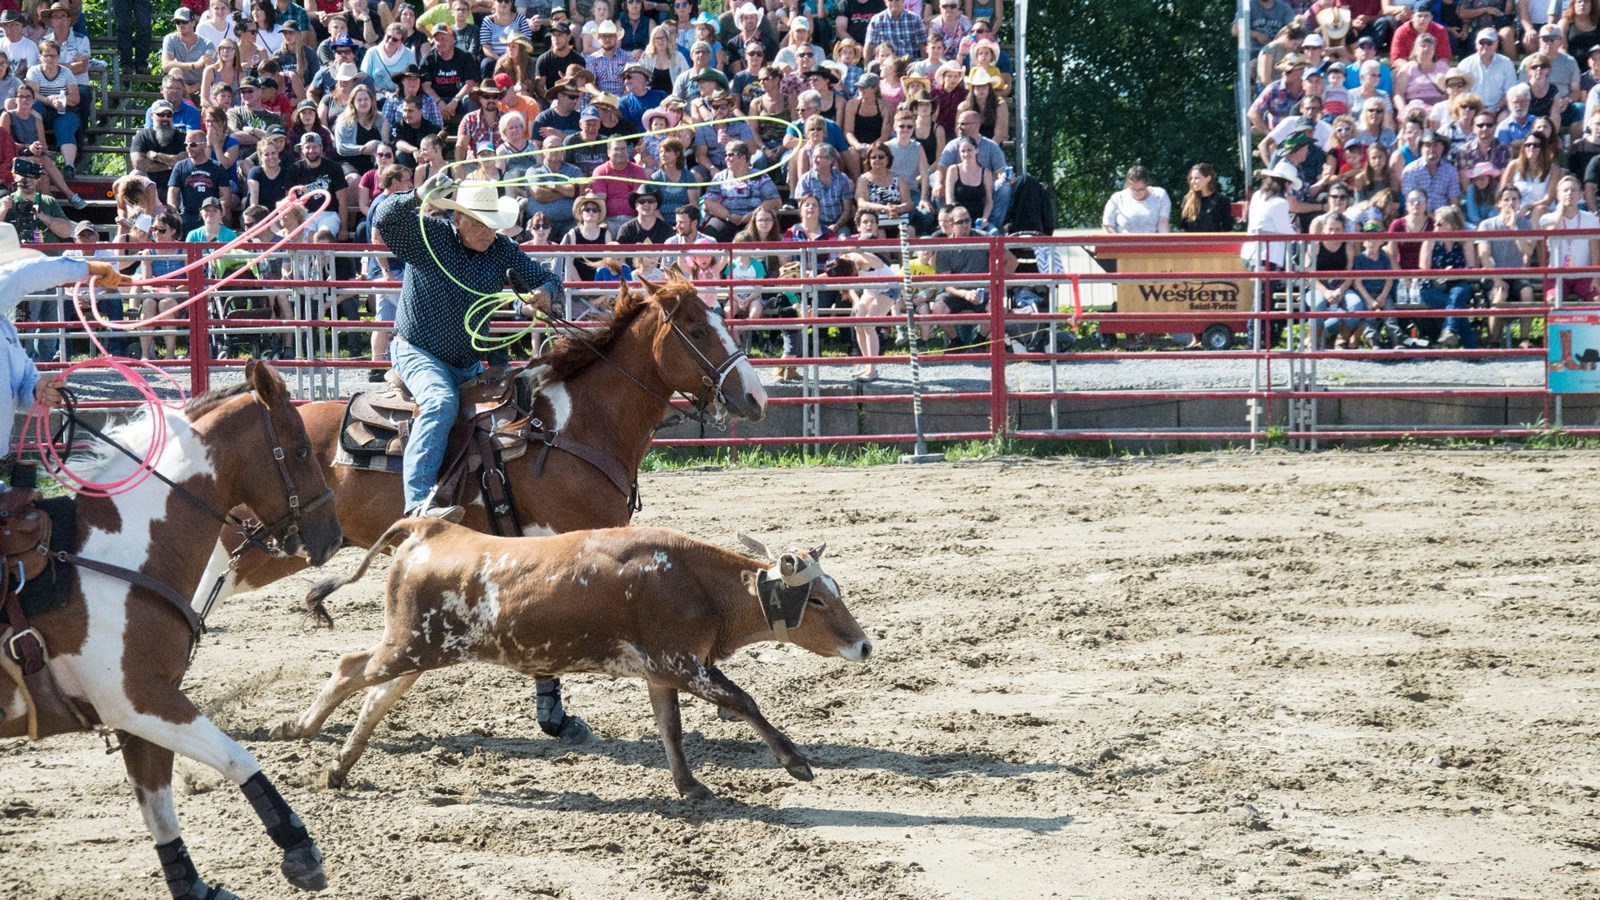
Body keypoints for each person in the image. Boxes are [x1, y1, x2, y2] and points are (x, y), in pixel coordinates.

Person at [376, 175, 560, 520]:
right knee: (440, 403)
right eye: (477, 222)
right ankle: (417, 505)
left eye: (492, 223)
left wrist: (547, 294)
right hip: (418, 350)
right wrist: (417, 194)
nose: (487, 230)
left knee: (516, 401)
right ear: (457, 219)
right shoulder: (430, 237)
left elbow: (546, 278)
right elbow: (385, 219)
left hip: (468, 360)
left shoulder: (502, 249)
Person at [0, 222, 118, 441]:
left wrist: (38, 390)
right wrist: (87, 268)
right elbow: (19, 278)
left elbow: (24, 380)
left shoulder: (6, 330)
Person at [1476, 184, 1539, 345]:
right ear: (1498, 203)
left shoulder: (1525, 224)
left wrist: (1514, 228)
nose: (1510, 203)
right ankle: (1494, 341)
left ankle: (1524, 339)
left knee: (1527, 292)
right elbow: (1483, 255)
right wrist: (1496, 278)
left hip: (1517, 275)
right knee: (1500, 293)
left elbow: (1528, 251)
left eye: (1514, 199)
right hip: (1493, 274)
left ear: (1519, 203)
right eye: (1506, 199)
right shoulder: (1487, 225)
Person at [1541, 173, 1600, 302]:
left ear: (1580, 195)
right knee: (1552, 299)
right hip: (1557, 275)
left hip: (1584, 275)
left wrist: (1596, 276)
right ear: (1558, 195)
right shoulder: (1547, 218)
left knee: (1598, 299)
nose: (1569, 194)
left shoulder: (1590, 219)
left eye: (1574, 190)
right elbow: (1551, 232)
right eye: (1565, 190)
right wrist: (1560, 212)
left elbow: (1595, 249)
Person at [1102, 165, 1171, 234]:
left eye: (1141, 189)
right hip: (1122, 243)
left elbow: (1163, 223)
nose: (1137, 192)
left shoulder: (1160, 195)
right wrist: (1119, 243)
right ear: (1128, 184)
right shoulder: (1117, 198)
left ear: (1147, 184)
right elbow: (1107, 225)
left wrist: (1165, 243)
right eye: (1133, 189)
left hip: (1152, 243)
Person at [1179, 163, 1235, 232]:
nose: (1192, 181)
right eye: (1191, 178)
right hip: (1192, 241)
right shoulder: (1187, 200)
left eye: (1196, 178)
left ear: (1208, 178)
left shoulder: (1222, 201)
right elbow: (1183, 227)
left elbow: (1227, 228)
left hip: (1214, 241)